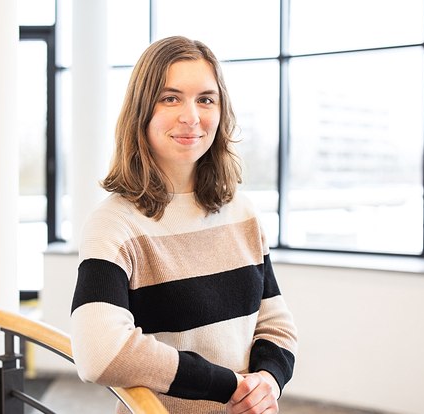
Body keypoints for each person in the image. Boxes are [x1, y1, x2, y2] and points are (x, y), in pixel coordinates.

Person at [70, 35, 297, 414]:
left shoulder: (242, 212)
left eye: (205, 99)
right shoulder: (113, 225)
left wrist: (267, 381)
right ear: (142, 110)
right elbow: (99, 352)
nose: (191, 116)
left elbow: (276, 324)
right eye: (170, 98)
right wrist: (228, 386)